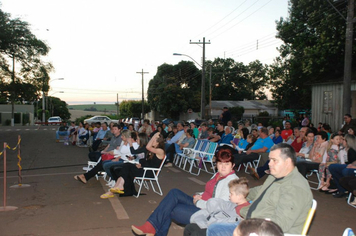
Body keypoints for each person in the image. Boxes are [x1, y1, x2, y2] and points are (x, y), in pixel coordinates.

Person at [206, 143, 313, 235]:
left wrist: (245, 220)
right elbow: (259, 191)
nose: (269, 164)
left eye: (274, 160)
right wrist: (239, 193)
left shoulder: (295, 188)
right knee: (207, 221)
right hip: (251, 219)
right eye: (269, 159)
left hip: (263, 230)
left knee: (214, 229)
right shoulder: (275, 176)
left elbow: (280, 224)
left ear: (288, 162)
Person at [131, 148, 238, 236]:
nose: (223, 167)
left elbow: (218, 207)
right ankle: (151, 226)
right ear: (217, 164)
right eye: (220, 163)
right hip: (201, 202)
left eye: (227, 164)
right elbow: (209, 191)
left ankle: (151, 227)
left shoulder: (232, 181)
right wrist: (199, 195)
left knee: (169, 209)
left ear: (232, 165)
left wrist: (198, 202)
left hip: (208, 213)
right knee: (174, 193)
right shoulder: (218, 175)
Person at [100, 132, 165, 198]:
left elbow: (148, 150)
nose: (151, 142)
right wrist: (140, 164)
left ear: (158, 142)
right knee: (125, 166)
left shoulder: (160, 151)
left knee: (126, 168)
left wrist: (154, 135)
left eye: (153, 141)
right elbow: (147, 161)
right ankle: (118, 187)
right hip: (144, 169)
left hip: (149, 172)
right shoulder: (152, 150)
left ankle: (114, 190)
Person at [184, 178, 250, 236]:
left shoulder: (244, 211)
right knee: (189, 228)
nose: (229, 195)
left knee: (196, 234)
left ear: (239, 196)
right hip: (214, 223)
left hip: (220, 229)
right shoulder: (234, 204)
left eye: (231, 194)